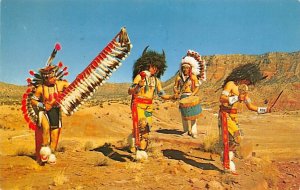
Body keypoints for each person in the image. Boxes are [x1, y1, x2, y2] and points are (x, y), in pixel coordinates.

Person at [219, 63, 271, 174]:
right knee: (234, 139)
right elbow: (222, 99)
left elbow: (250, 106)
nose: (249, 83)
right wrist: (236, 98)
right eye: (249, 80)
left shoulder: (244, 90)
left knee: (235, 140)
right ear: (244, 76)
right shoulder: (230, 84)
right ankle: (227, 164)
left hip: (233, 117)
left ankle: (226, 161)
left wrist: (265, 110)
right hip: (225, 115)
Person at [24, 43, 69, 165]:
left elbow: (71, 88)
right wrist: (43, 106)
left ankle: (51, 155)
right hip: (43, 111)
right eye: (51, 77)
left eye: (55, 75)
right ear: (46, 79)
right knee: (46, 128)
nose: (54, 78)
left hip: (56, 111)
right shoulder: (40, 88)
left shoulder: (61, 84)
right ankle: (44, 152)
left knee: (55, 135)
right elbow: (33, 100)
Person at [128, 46, 174, 157]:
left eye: (157, 67)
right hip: (138, 105)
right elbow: (130, 91)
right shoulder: (139, 77)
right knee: (142, 126)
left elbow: (162, 94)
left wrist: (173, 96)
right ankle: (140, 152)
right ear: (148, 65)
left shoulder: (156, 80)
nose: (155, 69)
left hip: (149, 107)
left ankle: (135, 143)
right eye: (153, 66)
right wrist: (138, 86)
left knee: (146, 129)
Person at [173, 50, 206, 138]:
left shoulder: (193, 77)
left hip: (191, 96)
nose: (185, 69)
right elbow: (175, 86)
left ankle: (194, 132)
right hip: (182, 97)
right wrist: (176, 92)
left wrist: (192, 95)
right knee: (184, 115)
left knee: (193, 114)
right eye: (184, 68)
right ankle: (186, 131)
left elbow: (197, 87)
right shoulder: (178, 78)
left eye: (187, 68)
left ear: (190, 69)